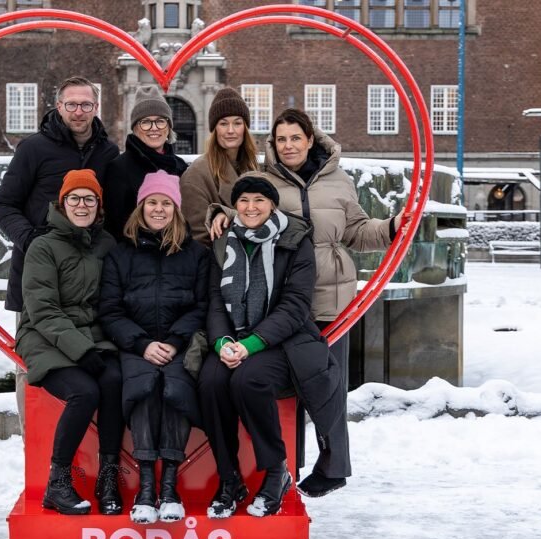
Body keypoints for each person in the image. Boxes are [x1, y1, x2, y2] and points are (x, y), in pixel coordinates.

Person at [260, 108, 403, 498]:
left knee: (330, 385)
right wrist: (219, 215)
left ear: (310, 140)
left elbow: (356, 231)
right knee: (289, 388)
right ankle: (290, 463)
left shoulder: (338, 180)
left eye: (295, 138)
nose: (288, 146)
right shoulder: (262, 179)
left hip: (332, 295)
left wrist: (391, 228)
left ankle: (334, 465)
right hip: (286, 299)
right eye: (281, 139)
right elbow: (246, 216)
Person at [198, 174, 342, 519]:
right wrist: (222, 342)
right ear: (235, 206)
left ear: (272, 205)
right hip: (232, 338)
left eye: (259, 201)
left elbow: (294, 305)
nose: (251, 207)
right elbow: (215, 298)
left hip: (282, 341)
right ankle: (229, 478)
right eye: (244, 201)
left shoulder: (294, 241)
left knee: (249, 381)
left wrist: (250, 344)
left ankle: (277, 471)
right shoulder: (223, 241)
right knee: (210, 382)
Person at [100, 170, 209, 524]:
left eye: (165, 203)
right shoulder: (120, 255)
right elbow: (110, 310)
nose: (158, 209)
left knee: (175, 387)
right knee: (145, 386)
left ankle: (170, 487)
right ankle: (147, 485)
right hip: (136, 344)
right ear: (141, 208)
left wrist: (176, 341)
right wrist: (142, 343)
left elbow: (202, 305)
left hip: (179, 345)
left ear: (176, 209)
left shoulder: (195, 255)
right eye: (152, 203)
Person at [15, 169, 124, 516]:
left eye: (89, 199)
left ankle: (108, 476)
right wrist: (82, 350)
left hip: (93, 335)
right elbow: (42, 309)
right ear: (62, 204)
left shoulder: (106, 244)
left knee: (114, 383)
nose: (82, 205)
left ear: (98, 205)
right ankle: (57, 481)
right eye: (74, 198)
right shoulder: (43, 247)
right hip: (44, 337)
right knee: (84, 391)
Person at [0, 76, 119, 313]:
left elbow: (110, 208)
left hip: (89, 274)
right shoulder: (33, 148)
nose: (78, 112)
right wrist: (30, 240)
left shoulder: (108, 152)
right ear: (59, 106)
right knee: (36, 344)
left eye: (86, 105)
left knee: (87, 346)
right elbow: (4, 204)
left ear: (96, 108)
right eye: (71, 104)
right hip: (39, 270)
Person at [103, 86, 188, 240]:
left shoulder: (180, 166)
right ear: (135, 128)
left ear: (169, 127)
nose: (154, 128)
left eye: (160, 121)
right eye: (146, 122)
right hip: (135, 253)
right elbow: (114, 224)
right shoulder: (119, 168)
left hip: (175, 250)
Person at [179, 87, 259, 245]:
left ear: (245, 128)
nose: (231, 130)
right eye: (223, 124)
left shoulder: (254, 168)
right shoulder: (197, 175)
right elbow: (199, 238)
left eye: (237, 123)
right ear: (214, 129)